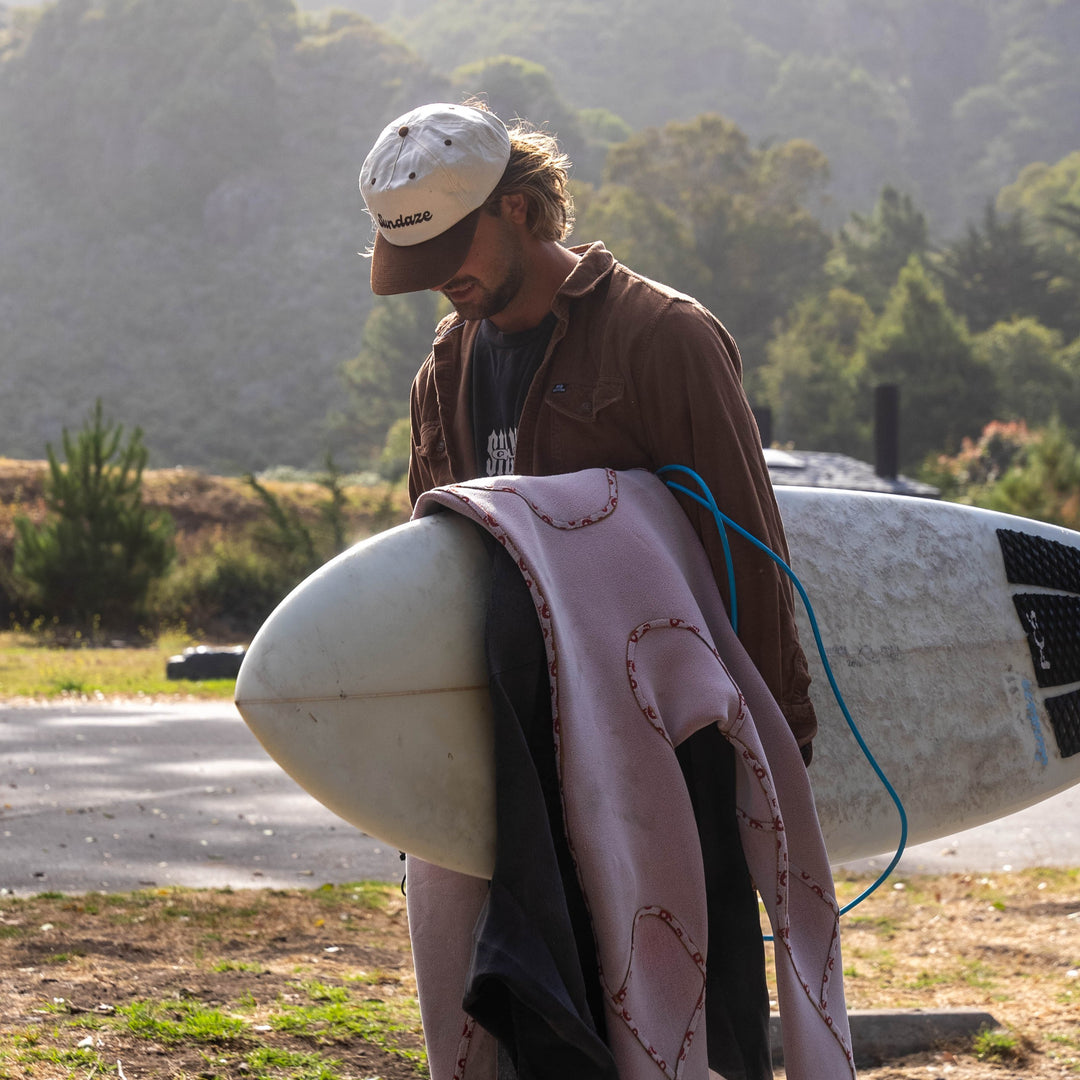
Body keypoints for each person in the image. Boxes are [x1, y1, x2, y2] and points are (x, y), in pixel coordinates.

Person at [359, 101, 819, 1080]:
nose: (446, 278)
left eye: (457, 245)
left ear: (520, 208)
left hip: (664, 767)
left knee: (693, 1034)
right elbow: (434, 579)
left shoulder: (665, 340)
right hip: (506, 772)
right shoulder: (444, 371)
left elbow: (749, 562)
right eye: (424, 258)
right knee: (519, 1036)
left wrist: (776, 759)